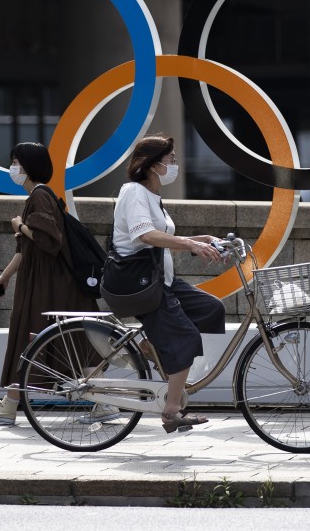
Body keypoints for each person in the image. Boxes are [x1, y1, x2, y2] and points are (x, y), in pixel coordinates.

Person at [0, 142, 105, 425]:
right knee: (77, 340)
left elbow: (47, 240)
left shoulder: (40, 196)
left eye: (16, 162)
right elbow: (25, 251)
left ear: (28, 166)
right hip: (51, 282)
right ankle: (102, 403)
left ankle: (10, 405)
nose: (13, 168)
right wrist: (4, 277)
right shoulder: (40, 196)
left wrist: (19, 226)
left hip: (49, 285)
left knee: (29, 336)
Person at [111, 134, 226, 433]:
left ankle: (160, 349)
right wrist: (189, 244)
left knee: (211, 308)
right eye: (170, 160)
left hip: (163, 279)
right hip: (141, 284)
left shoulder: (151, 196)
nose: (174, 164)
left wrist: (202, 239)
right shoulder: (133, 192)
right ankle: (171, 410)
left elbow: (163, 238)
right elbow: (144, 235)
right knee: (186, 338)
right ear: (152, 164)